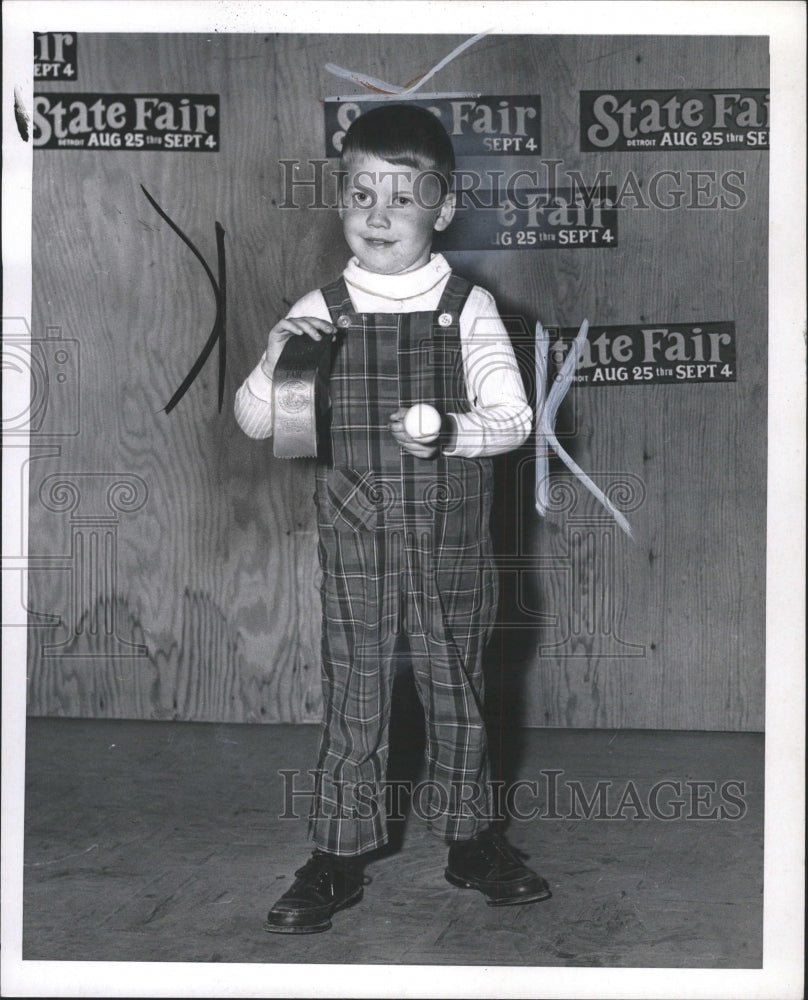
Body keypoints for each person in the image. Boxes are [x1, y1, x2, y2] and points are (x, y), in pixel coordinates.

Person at [235, 104, 551, 934]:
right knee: (357, 691)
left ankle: (472, 840)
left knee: (458, 685)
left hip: (450, 536)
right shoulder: (321, 303)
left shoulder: (467, 307)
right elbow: (258, 422)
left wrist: (449, 431)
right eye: (361, 192)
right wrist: (276, 356)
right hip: (355, 533)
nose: (378, 215)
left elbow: (514, 419)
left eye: (403, 198)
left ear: (442, 209)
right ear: (340, 197)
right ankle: (336, 855)